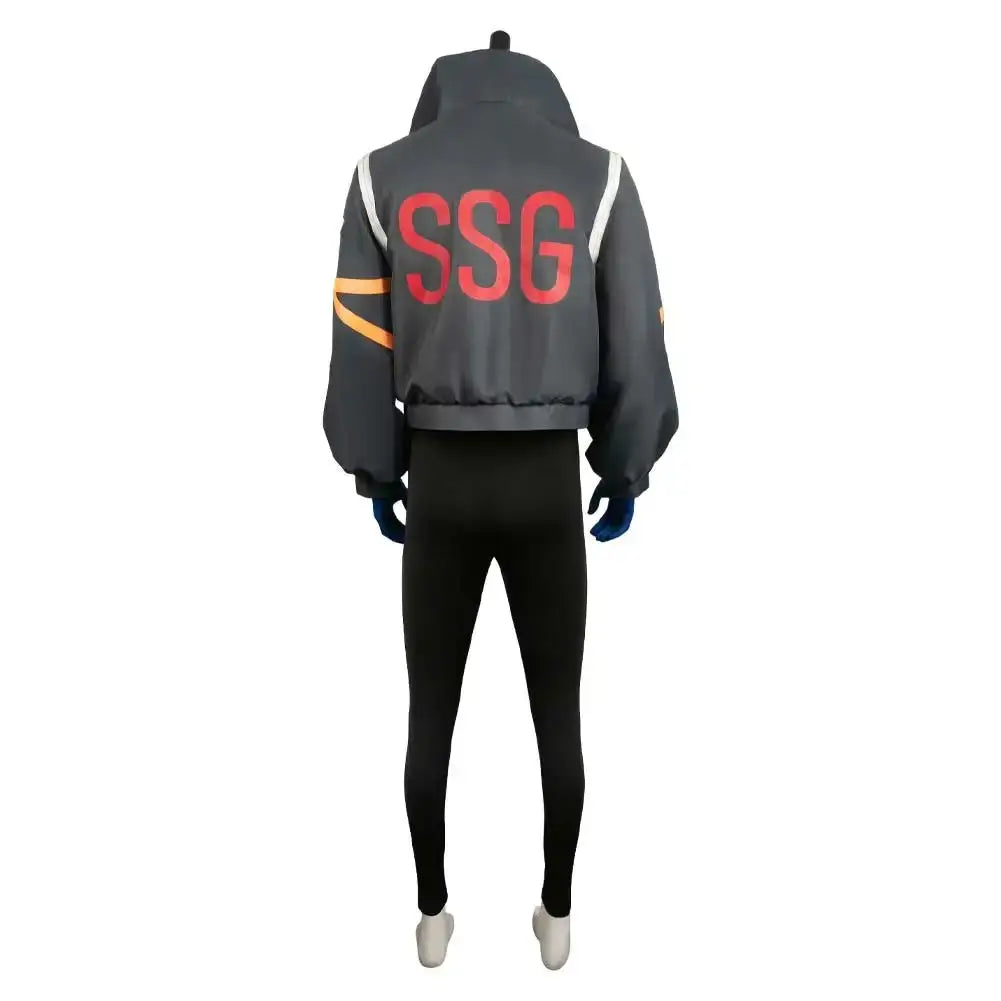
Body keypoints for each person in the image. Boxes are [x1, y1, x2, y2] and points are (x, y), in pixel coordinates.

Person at [322, 30, 678, 969]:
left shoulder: (380, 178)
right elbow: (636, 341)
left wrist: (375, 468)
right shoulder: (600, 178)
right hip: (546, 481)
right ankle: (556, 915)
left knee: (427, 715)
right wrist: (625, 467)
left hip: (439, 476)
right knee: (558, 713)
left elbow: (359, 343)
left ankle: (431, 916)